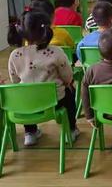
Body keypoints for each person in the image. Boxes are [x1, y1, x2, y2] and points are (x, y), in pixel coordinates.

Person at [7, 10, 79, 146]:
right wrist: (67, 83)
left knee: (24, 93)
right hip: (54, 101)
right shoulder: (56, 52)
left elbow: (15, 81)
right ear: (46, 29)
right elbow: (68, 77)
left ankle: (30, 133)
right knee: (70, 91)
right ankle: (71, 129)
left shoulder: (15, 55)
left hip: (27, 101)